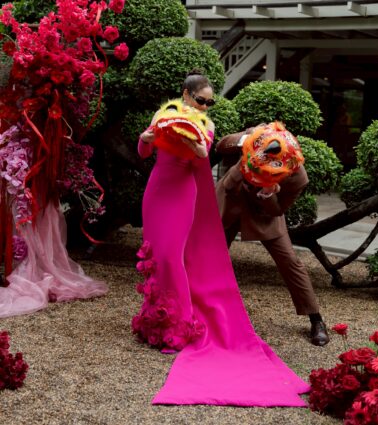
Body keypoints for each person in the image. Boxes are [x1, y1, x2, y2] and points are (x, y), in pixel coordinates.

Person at [131, 70, 310, 407]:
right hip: (157, 190)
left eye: (209, 102)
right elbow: (143, 152)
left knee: (173, 257)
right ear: (186, 94)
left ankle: (179, 326)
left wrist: (194, 143)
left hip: (183, 193)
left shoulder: (207, 125)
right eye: (201, 100)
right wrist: (146, 138)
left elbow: (201, 157)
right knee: (156, 256)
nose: (205, 106)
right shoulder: (164, 114)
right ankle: (154, 321)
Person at [214, 128, 330, 347]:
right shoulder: (259, 136)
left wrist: (268, 194)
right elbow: (221, 147)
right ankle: (198, 309)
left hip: (263, 213)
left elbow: (277, 210)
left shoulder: (297, 177)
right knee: (211, 257)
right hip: (230, 203)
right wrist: (246, 142)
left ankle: (316, 319)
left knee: (290, 261)